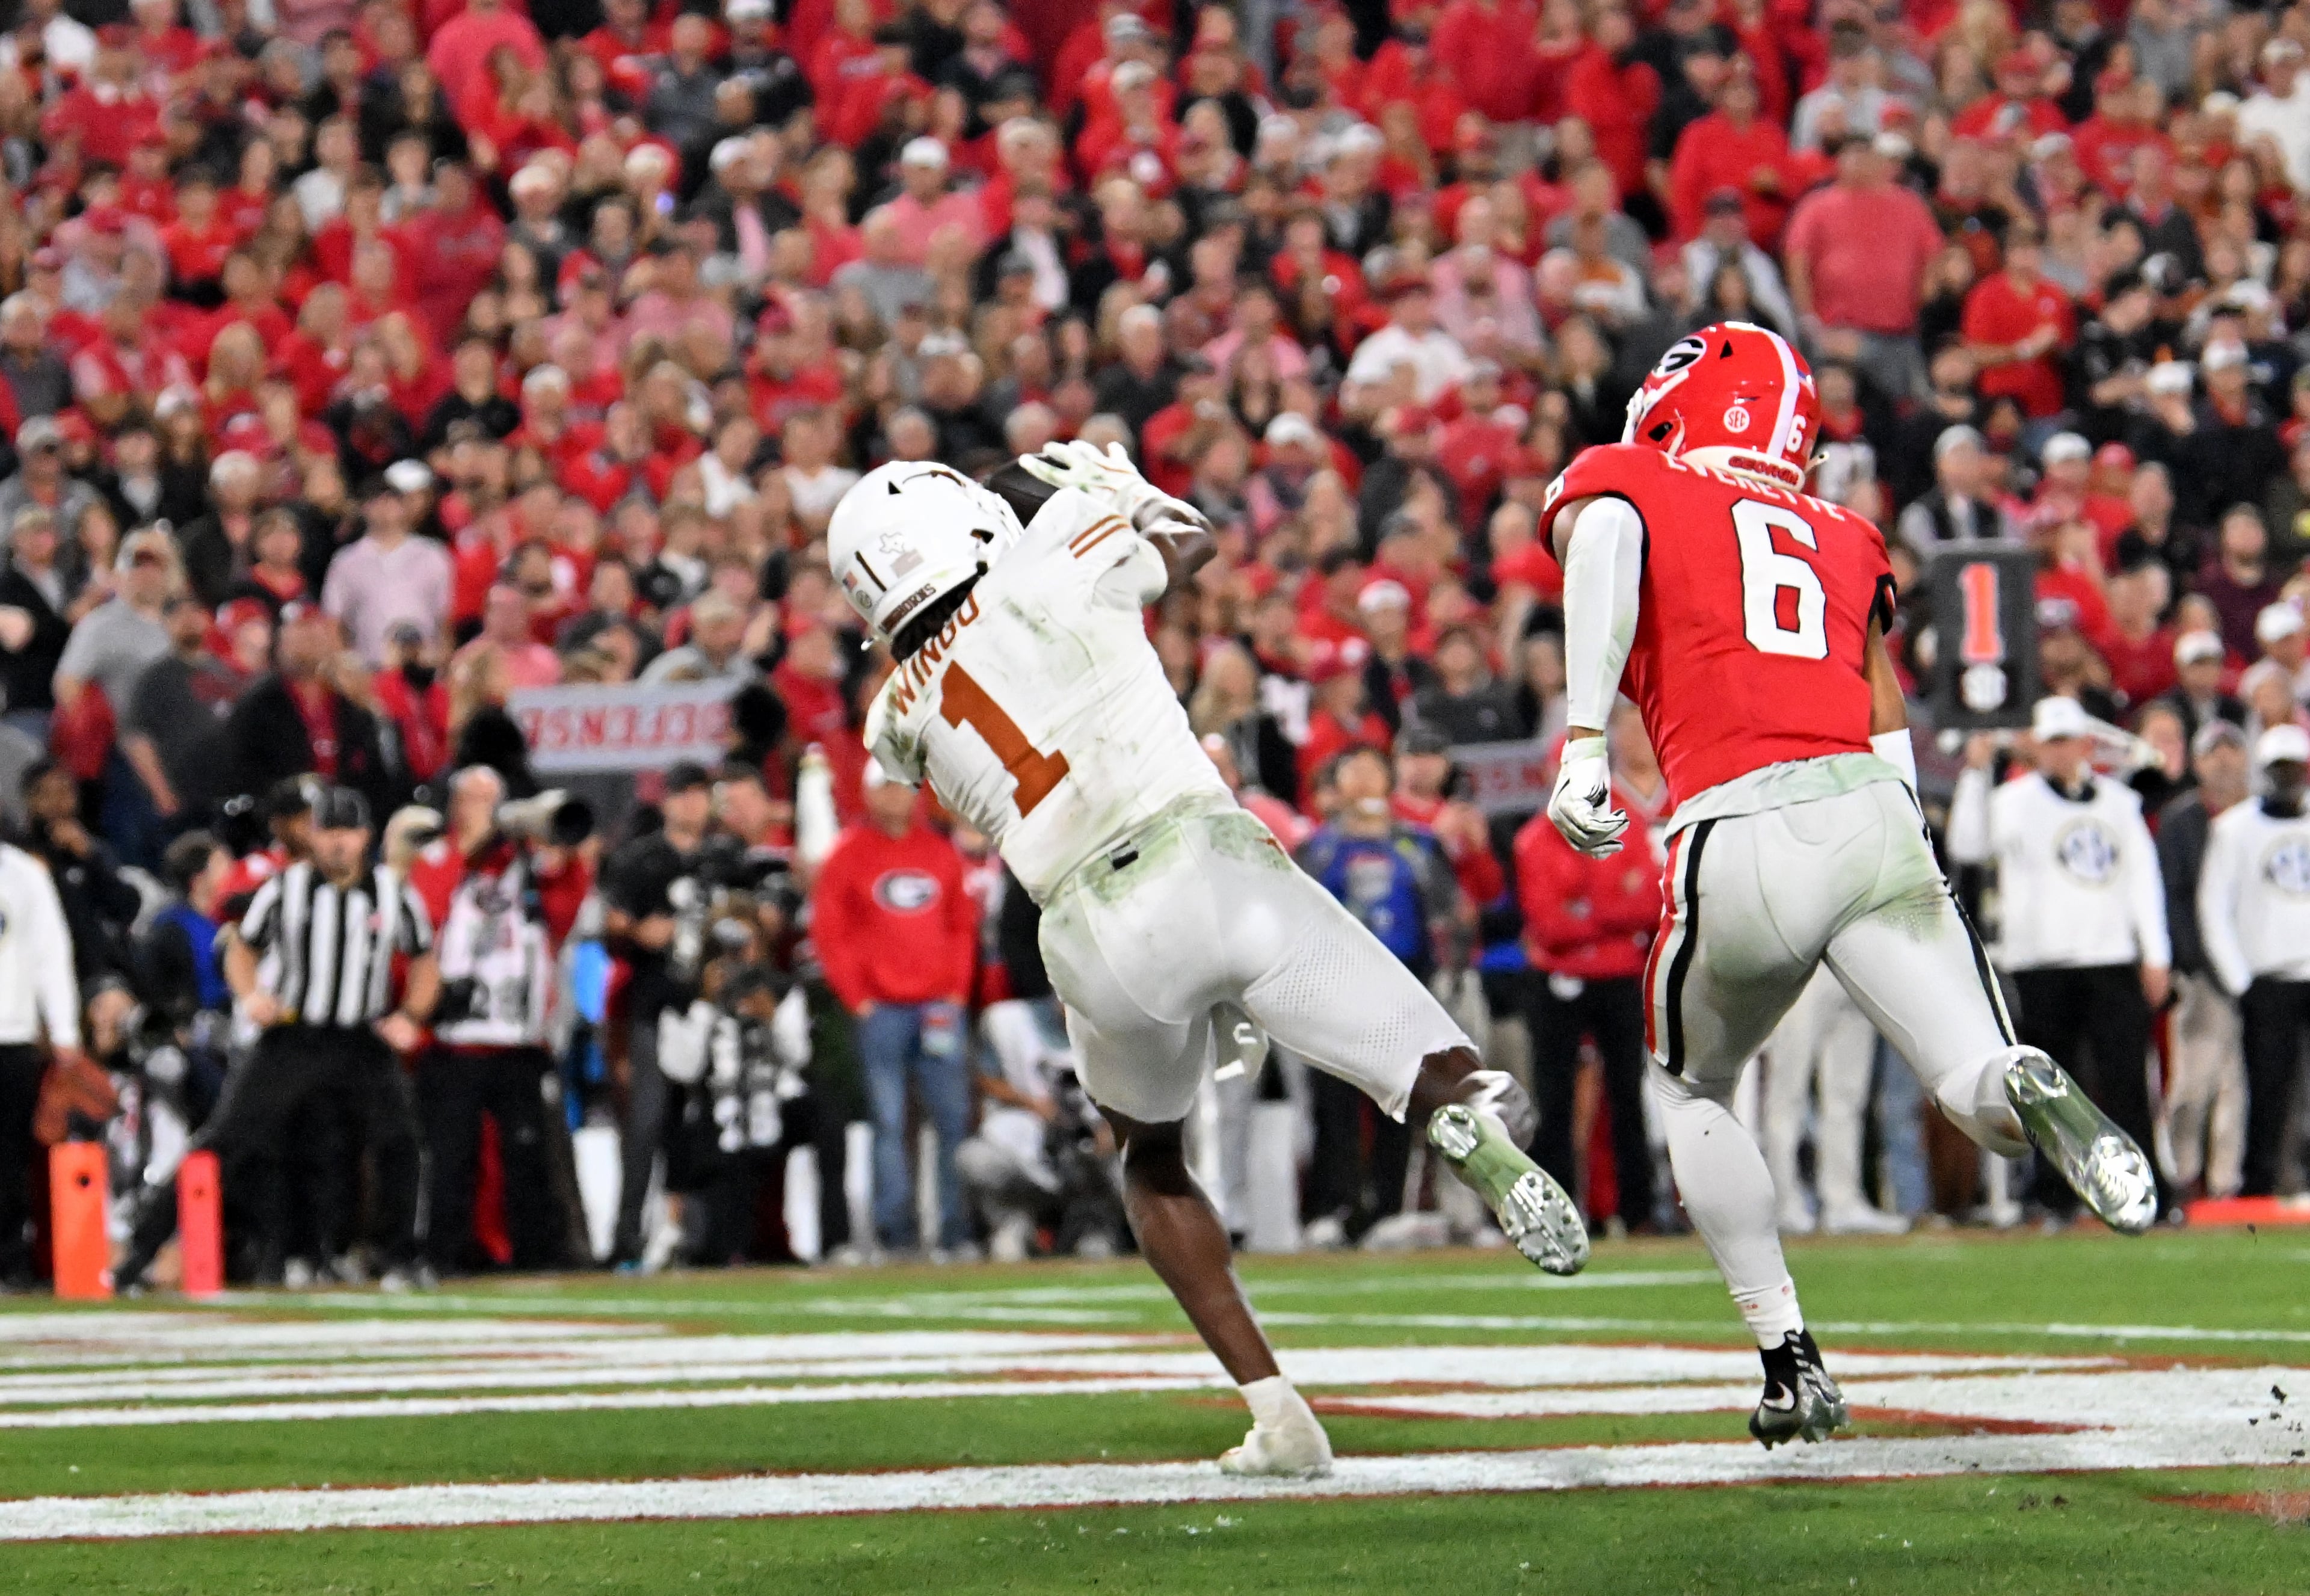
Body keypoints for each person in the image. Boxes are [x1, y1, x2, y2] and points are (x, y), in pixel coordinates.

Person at [831, 449, 1578, 1482]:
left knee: (1150, 1159)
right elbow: (1191, 545)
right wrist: (1127, 492)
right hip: (1203, 856)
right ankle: (1465, 1109)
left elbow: (917, 719)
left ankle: (1279, 1414)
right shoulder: (1048, 552)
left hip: (1088, 935)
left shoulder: (892, 715)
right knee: (1437, 1069)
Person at [1538, 322, 2157, 1452]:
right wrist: (1906, 838)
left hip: (1738, 819)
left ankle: (1790, 1357)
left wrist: (1584, 740)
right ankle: (2025, 1076)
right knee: (1972, 1077)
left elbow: (1605, 537)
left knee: (1691, 1090)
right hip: (1874, 811)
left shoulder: (1634, 479)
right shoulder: (1843, 530)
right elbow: (1882, 700)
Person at [1947, 696, 2171, 1224]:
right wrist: (1976, 774)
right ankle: (2055, 1196)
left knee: (2127, 1083)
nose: (2060, 752)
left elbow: (2144, 880)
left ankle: (2143, 1192)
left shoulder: (2119, 802)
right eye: (2051, 742)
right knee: (2051, 1094)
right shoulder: (2014, 799)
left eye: (2068, 741)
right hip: (2043, 963)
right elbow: (1967, 843)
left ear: (2086, 744)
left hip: (2111, 957)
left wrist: (2155, 953)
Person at [218, 786, 436, 1285]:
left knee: (399, 1140)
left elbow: (424, 960)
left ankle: (399, 1254)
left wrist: (412, 1015)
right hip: (297, 1034)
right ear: (314, 836)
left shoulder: (393, 890)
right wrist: (251, 996)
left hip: (361, 1035)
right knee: (237, 1134)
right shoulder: (283, 886)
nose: (338, 843)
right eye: (328, 831)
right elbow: (241, 948)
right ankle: (150, 1249)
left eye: (347, 832)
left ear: (365, 836)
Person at [809, 758, 978, 1257]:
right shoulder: (848, 855)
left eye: (904, 788)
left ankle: (954, 1229)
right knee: (887, 1122)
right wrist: (857, 997)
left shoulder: (939, 852)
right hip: (880, 1009)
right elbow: (829, 931)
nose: (896, 797)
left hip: (938, 1006)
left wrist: (955, 989)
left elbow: (961, 925)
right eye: (886, 787)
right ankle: (895, 1230)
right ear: (867, 793)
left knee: (952, 1121)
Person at [1512, 704, 1662, 1234]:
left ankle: (1636, 1210)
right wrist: (1608, 911)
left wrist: (1587, 911)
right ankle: (1565, 1212)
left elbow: (1648, 904)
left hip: (1615, 976)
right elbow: (1551, 924)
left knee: (1629, 1100)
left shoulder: (1625, 819)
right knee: (1553, 1102)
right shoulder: (1535, 838)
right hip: (1561, 978)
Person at [599, 760, 715, 1266]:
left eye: (699, 793)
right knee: (646, 1122)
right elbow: (612, 924)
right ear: (666, 801)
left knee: (706, 1125)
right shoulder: (640, 860)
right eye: (682, 793)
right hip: (656, 1004)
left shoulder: (723, 857)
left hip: (712, 1011)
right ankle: (627, 1239)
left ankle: (704, 1239)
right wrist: (636, 930)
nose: (691, 803)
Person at [2197, 724, 2310, 1198]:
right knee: (2267, 1087)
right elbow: (2213, 906)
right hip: (2268, 976)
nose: (2285, 778)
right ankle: (2260, 1181)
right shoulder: (2234, 829)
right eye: (2277, 769)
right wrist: (2240, 979)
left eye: (2293, 768)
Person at [2156, 721, 2251, 1202]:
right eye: (2215, 752)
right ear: (2196, 763)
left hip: (2256, 970)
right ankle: (2182, 1172)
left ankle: (2225, 1180)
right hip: (2201, 973)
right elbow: (2172, 900)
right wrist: (2194, 963)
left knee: (2237, 1084)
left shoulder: (2264, 816)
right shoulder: (2181, 821)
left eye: (2234, 749)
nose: (2225, 760)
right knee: (2193, 1084)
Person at [0, 832, 83, 1291]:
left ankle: (10, 1261)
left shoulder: (22, 874)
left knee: (10, 1159)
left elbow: (51, 954)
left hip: (10, 1033)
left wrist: (65, 1031)